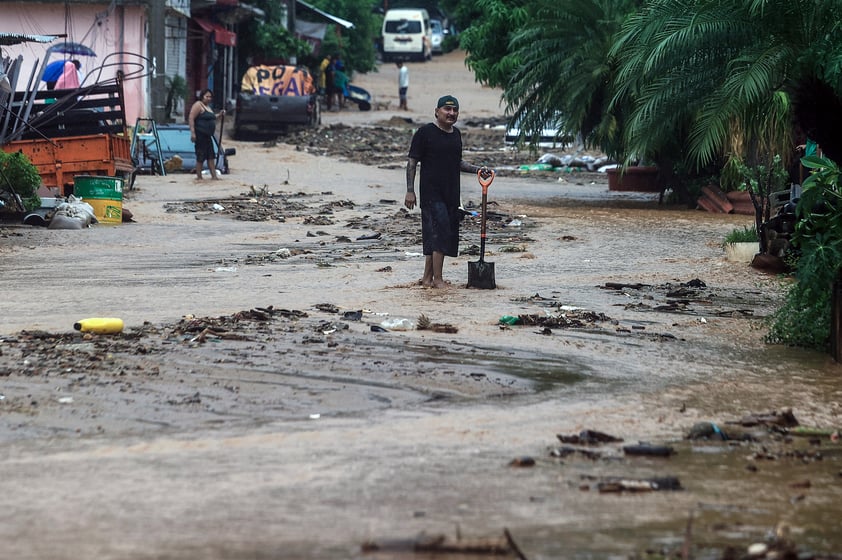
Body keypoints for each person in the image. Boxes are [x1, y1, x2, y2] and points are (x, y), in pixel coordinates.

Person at [405, 95, 492, 288]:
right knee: (440, 232)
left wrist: (478, 169)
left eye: (454, 110)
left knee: (436, 235)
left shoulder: (456, 134)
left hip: (451, 193)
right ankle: (438, 280)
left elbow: (457, 162)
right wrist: (410, 191)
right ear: (437, 112)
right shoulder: (425, 132)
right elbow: (412, 162)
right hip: (431, 192)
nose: (451, 113)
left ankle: (427, 279)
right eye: (447, 109)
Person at [188, 89, 225, 180]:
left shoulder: (208, 107)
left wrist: (220, 115)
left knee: (210, 156)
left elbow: (212, 117)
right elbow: (191, 118)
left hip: (208, 136)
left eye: (210, 97)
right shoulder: (198, 105)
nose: (209, 98)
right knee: (201, 156)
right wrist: (193, 133)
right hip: (200, 135)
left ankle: (214, 177)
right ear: (202, 96)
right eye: (207, 96)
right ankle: (199, 177)